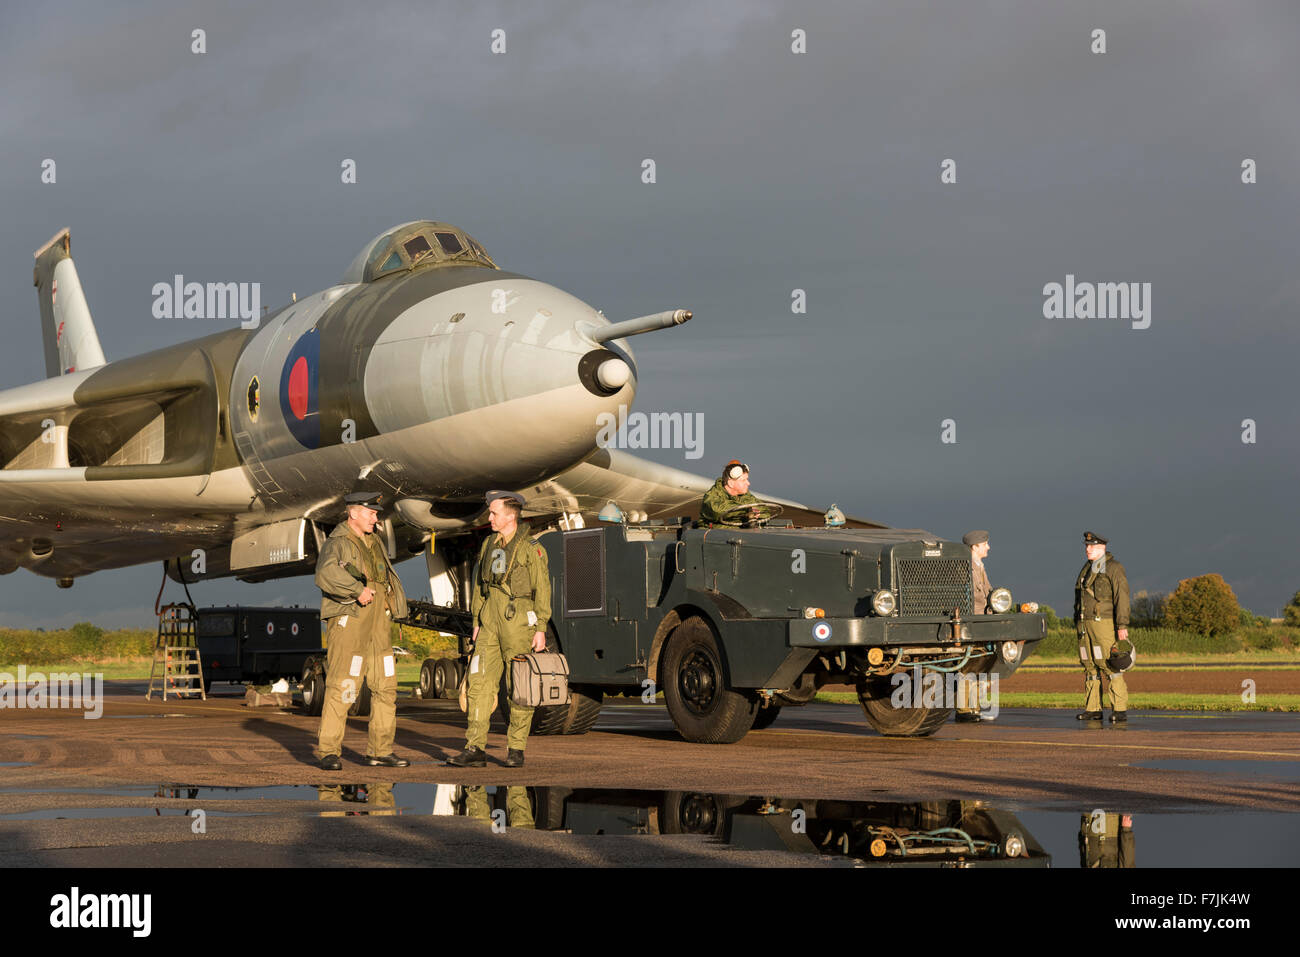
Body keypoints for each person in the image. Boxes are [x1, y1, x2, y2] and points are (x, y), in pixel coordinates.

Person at [446, 491, 551, 768]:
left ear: (510, 515)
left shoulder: (531, 548)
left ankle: (516, 748)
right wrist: (478, 622)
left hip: (518, 620)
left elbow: (542, 590)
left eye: (494, 512)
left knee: (517, 685)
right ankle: (475, 747)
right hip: (490, 619)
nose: (489, 517)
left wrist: (540, 627)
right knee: (479, 683)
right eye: (490, 512)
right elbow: (481, 587)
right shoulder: (489, 544)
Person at [315, 491, 411, 770]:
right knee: (344, 687)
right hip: (352, 622)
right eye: (371, 513)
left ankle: (380, 751)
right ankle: (329, 752)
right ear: (353, 513)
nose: (376, 518)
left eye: (376, 513)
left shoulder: (375, 542)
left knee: (386, 687)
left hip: (379, 625)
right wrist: (356, 590)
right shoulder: (339, 543)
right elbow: (324, 574)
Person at [1074, 531, 1131, 724]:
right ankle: (1093, 709)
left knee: (1108, 663)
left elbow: (1121, 597)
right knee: (1089, 664)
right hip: (1085, 624)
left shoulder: (1114, 568)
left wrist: (1122, 625)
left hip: (1103, 623)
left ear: (1102, 547)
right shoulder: (1086, 569)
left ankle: (1119, 709)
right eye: (1087, 546)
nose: (1087, 549)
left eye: (1092, 546)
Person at [956, 530, 993, 723]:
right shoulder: (967, 567)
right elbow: (975, 597)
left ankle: (974, 708)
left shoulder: (978, 566)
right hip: (973, 621)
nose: (988, 547)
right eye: (985, 543)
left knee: (979, 665)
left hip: (982, 621)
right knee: (968, 665)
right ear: (975, 546)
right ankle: (964, 710)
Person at [699, 460, 764, 526]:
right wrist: (745, 513)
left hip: (742, 533)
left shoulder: (746, 496)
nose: (748, 483)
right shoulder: (712, 496)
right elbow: (716, 511)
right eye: (743, 480)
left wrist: (752, 513)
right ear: (731, 483)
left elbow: (765, 509)